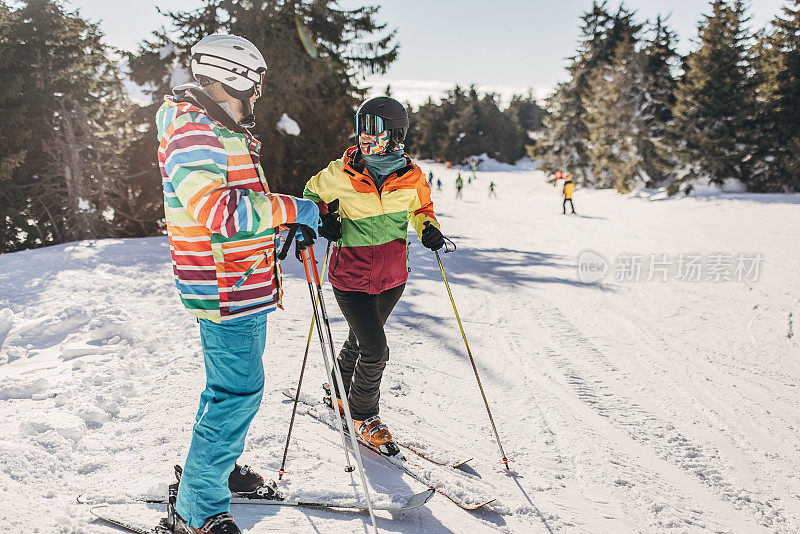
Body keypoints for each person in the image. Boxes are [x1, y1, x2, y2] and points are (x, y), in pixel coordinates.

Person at [156, 34, 320, 534]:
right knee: (237, 393)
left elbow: (237, 204)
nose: (259, 96)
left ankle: (216, 470)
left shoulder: (214, 129)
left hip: (240, 281)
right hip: (225, 287)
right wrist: (296, 208)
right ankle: (197, 510)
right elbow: (219, 212)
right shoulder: (195, 131)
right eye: (257, 85)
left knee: (232, 390)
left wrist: (281, 223)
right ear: (235, 80)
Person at [302, 96, 446, 451]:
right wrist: (324, 219)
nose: (363, 137)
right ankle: (363, 415)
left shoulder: (411, 176)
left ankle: (336, 388)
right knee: (376, 348)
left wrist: (428, 226)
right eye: (360, 127)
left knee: (361, 339)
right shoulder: (340, 173)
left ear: (395, 135)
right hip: (350, 277)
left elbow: (422, 207)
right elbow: (310, 195)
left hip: (393, 277)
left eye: (372, 129)